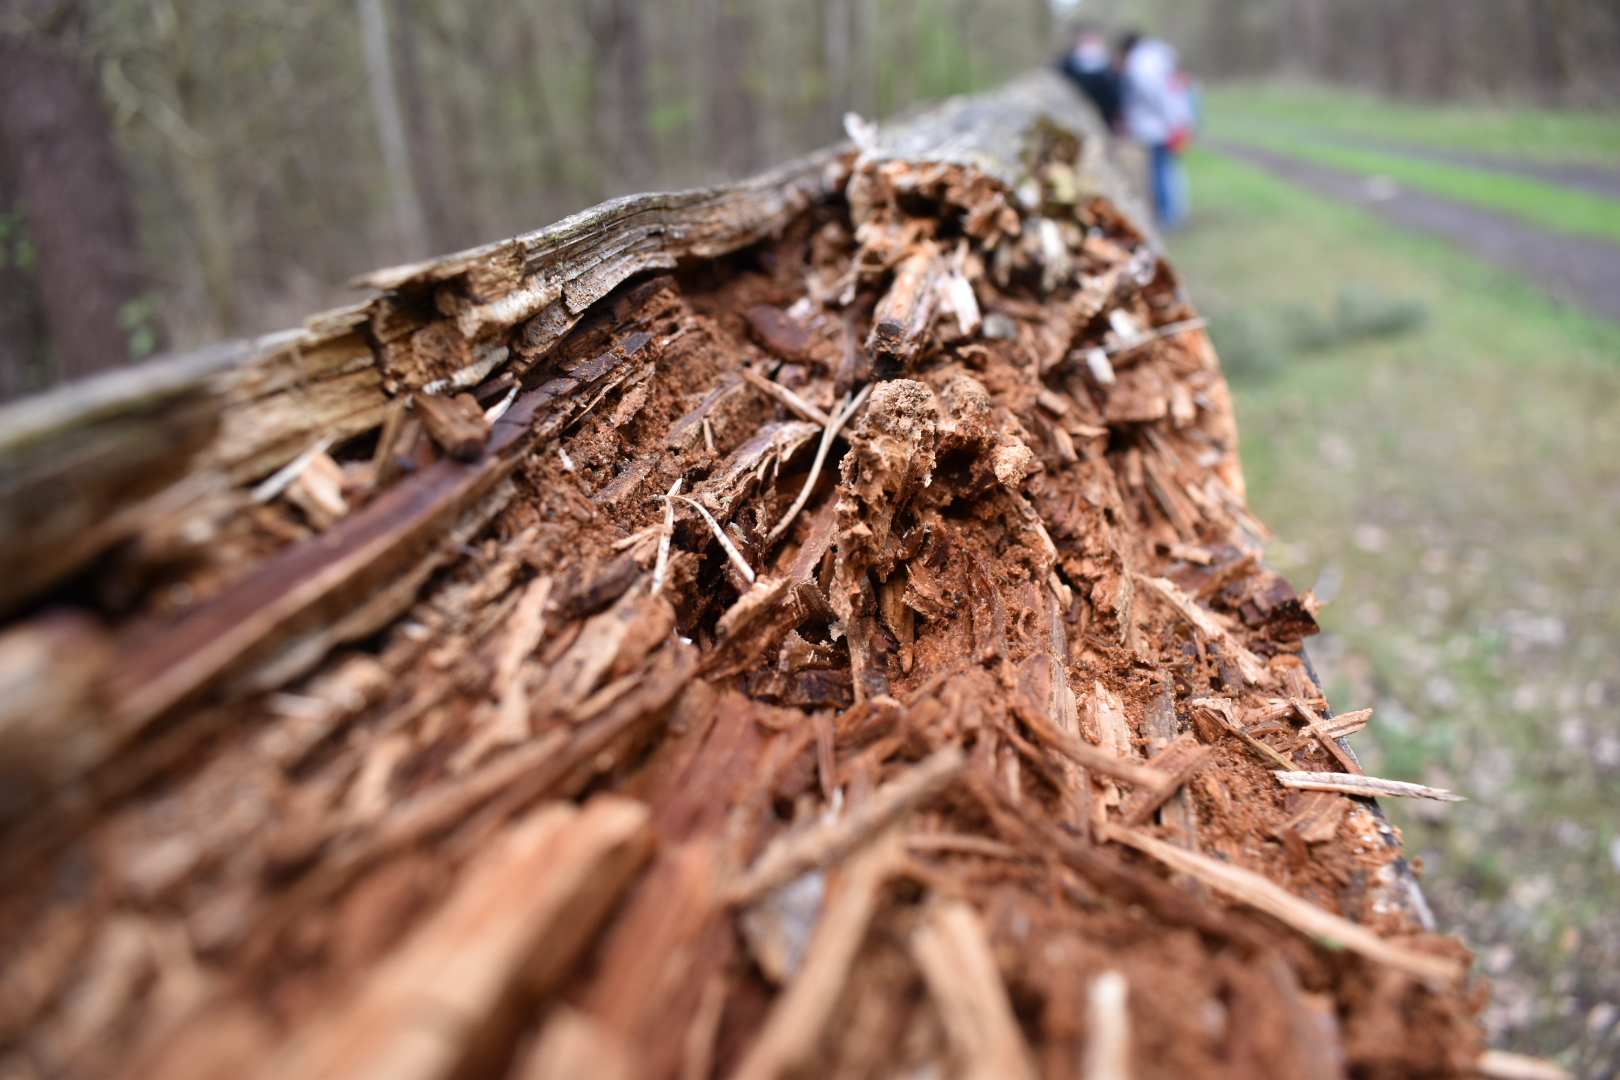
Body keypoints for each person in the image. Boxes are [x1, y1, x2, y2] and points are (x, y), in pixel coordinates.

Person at [1118, 32, 1197, 230]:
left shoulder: (1142, 63)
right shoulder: (1157, 58)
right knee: (1167, 168)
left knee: (1161, 170)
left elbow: (1155, 93)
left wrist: (1171, 119)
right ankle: (1174, 212)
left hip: (1157, 127)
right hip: (1166, 124)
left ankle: (1169, 216)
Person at [1059, 24, 1121, 132]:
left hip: (1105, 119)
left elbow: (1116, 92)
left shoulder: (1109, 62)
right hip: (1076, 117)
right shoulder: (1067, 63)